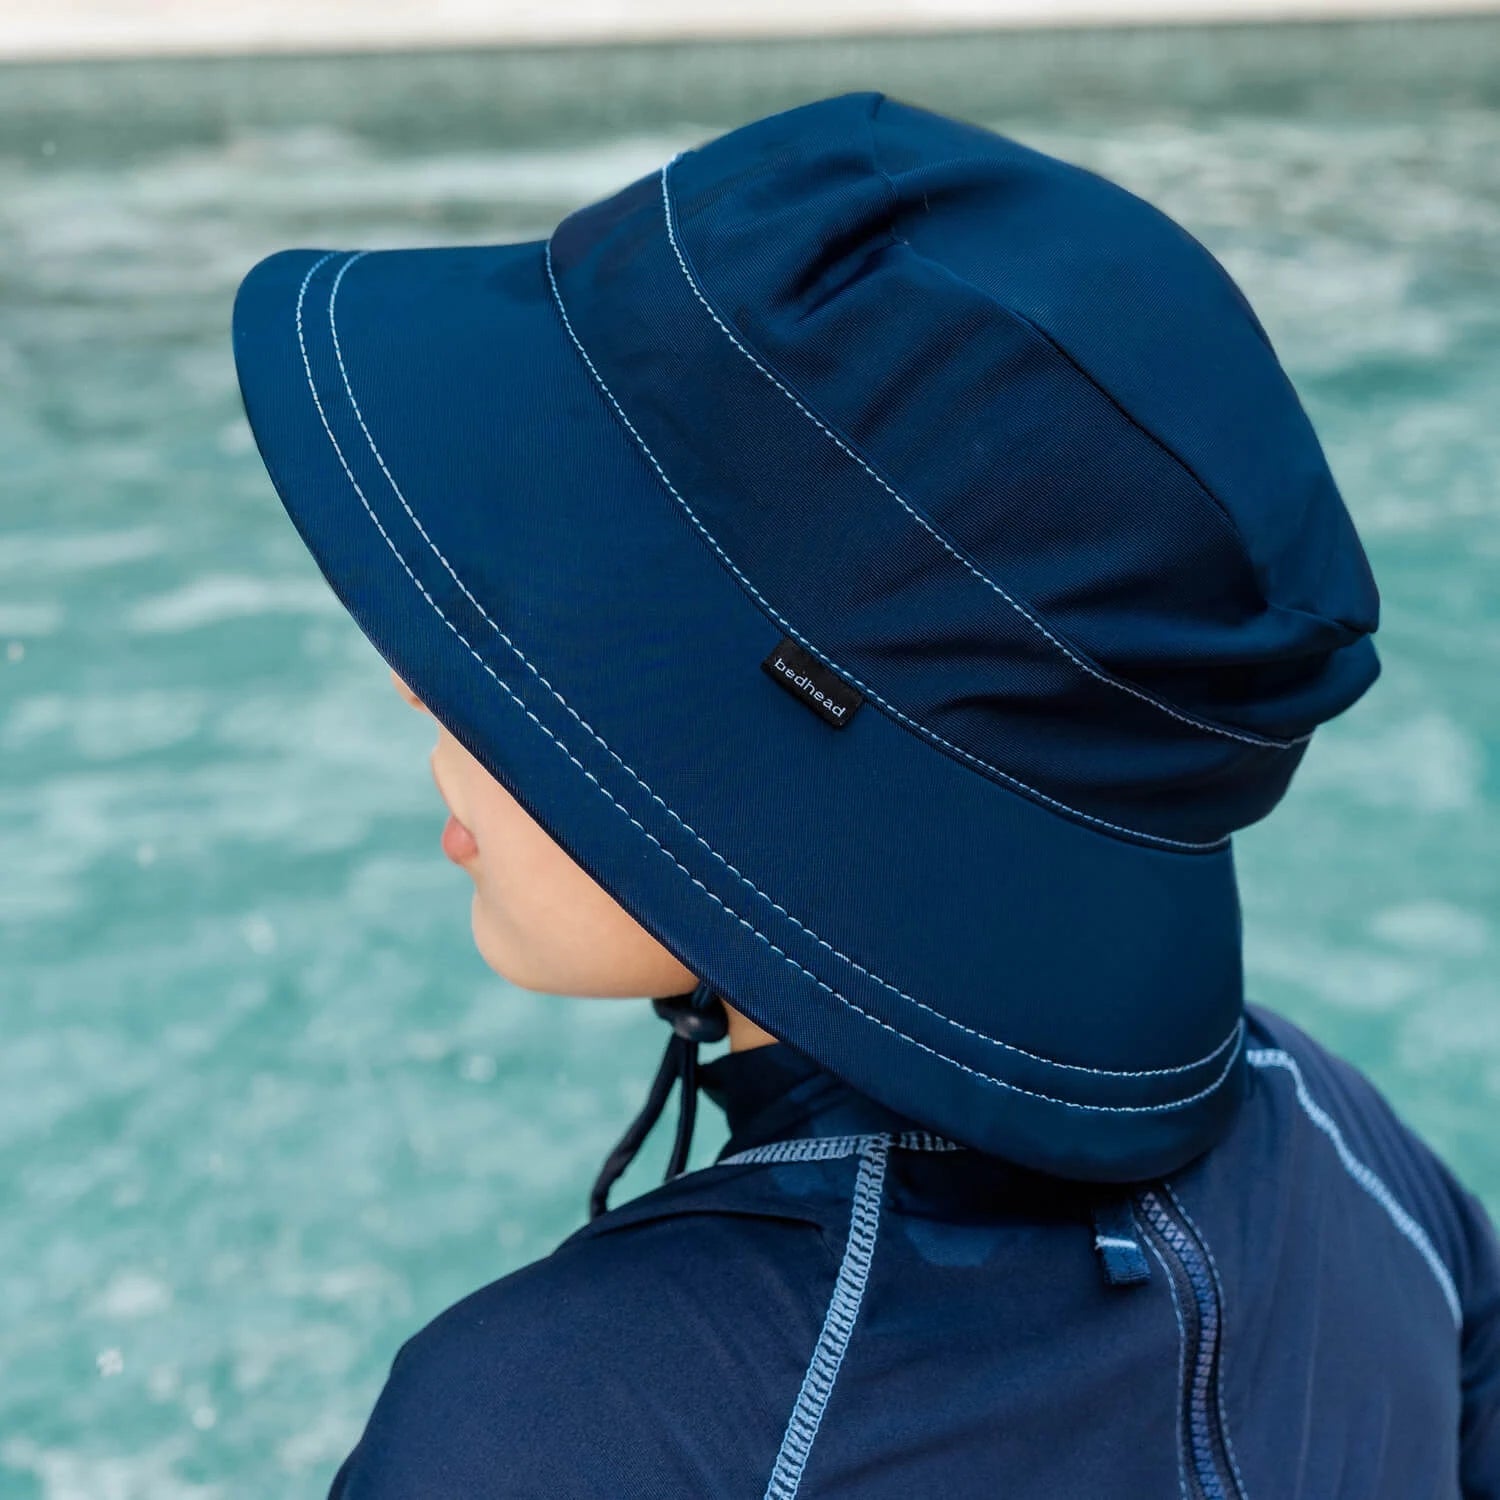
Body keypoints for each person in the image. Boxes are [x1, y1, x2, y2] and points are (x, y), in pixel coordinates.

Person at [231, 89, 1500, 1498]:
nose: (415, 687)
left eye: (552, 631)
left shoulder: (551, 1433)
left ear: (791, 762)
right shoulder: (1351, 1152)